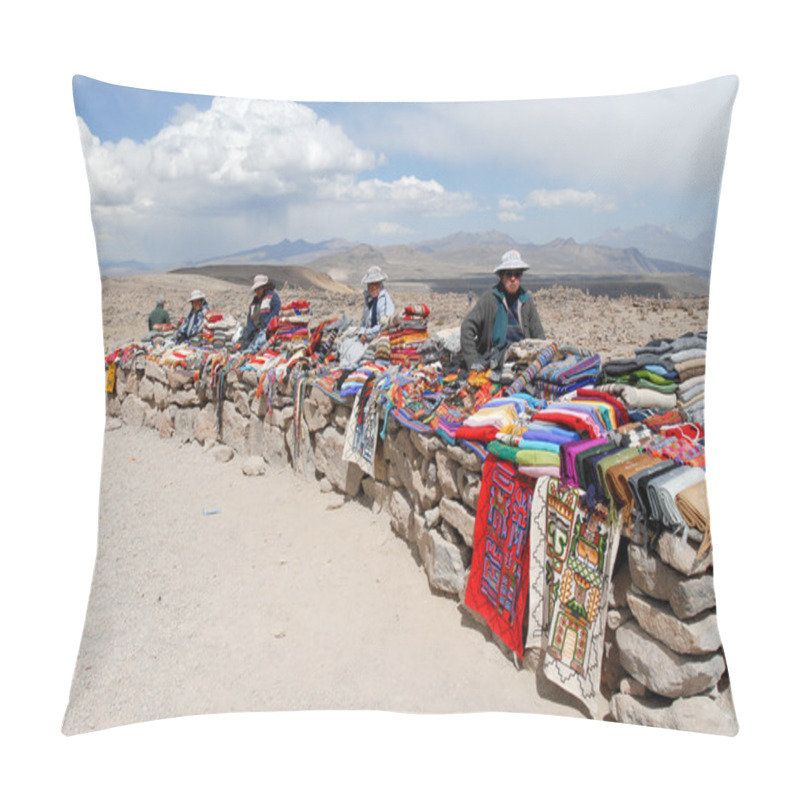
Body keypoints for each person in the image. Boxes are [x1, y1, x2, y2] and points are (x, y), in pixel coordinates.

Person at [460, 250, 545, 370]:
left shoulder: (526, 301)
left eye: (517, 274)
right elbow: (467, 327)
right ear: (501, 276)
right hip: (493, 362)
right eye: (509, 274)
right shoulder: (489, 299)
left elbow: (539, 337)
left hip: (523, 362)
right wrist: (473, 362)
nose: (513, 279)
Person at [241, 274, 281, 351]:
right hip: (256, 334)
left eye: (259, 289)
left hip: (268, 332)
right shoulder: (254, 303)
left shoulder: (272, 297)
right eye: (256, 289)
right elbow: (250, 320)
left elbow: (276, 312)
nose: (257, 291)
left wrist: (266, 328)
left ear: (265, 287)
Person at [357, 265, 394, 343]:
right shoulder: (369, 300)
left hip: (379, 337)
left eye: (376, 283)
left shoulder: (385, 301)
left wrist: (367, 334)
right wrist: (361, 333)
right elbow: (364, 323)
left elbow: (383, 326)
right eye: (371, 284)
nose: (373, 287)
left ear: (380, 284)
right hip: (367, 337)